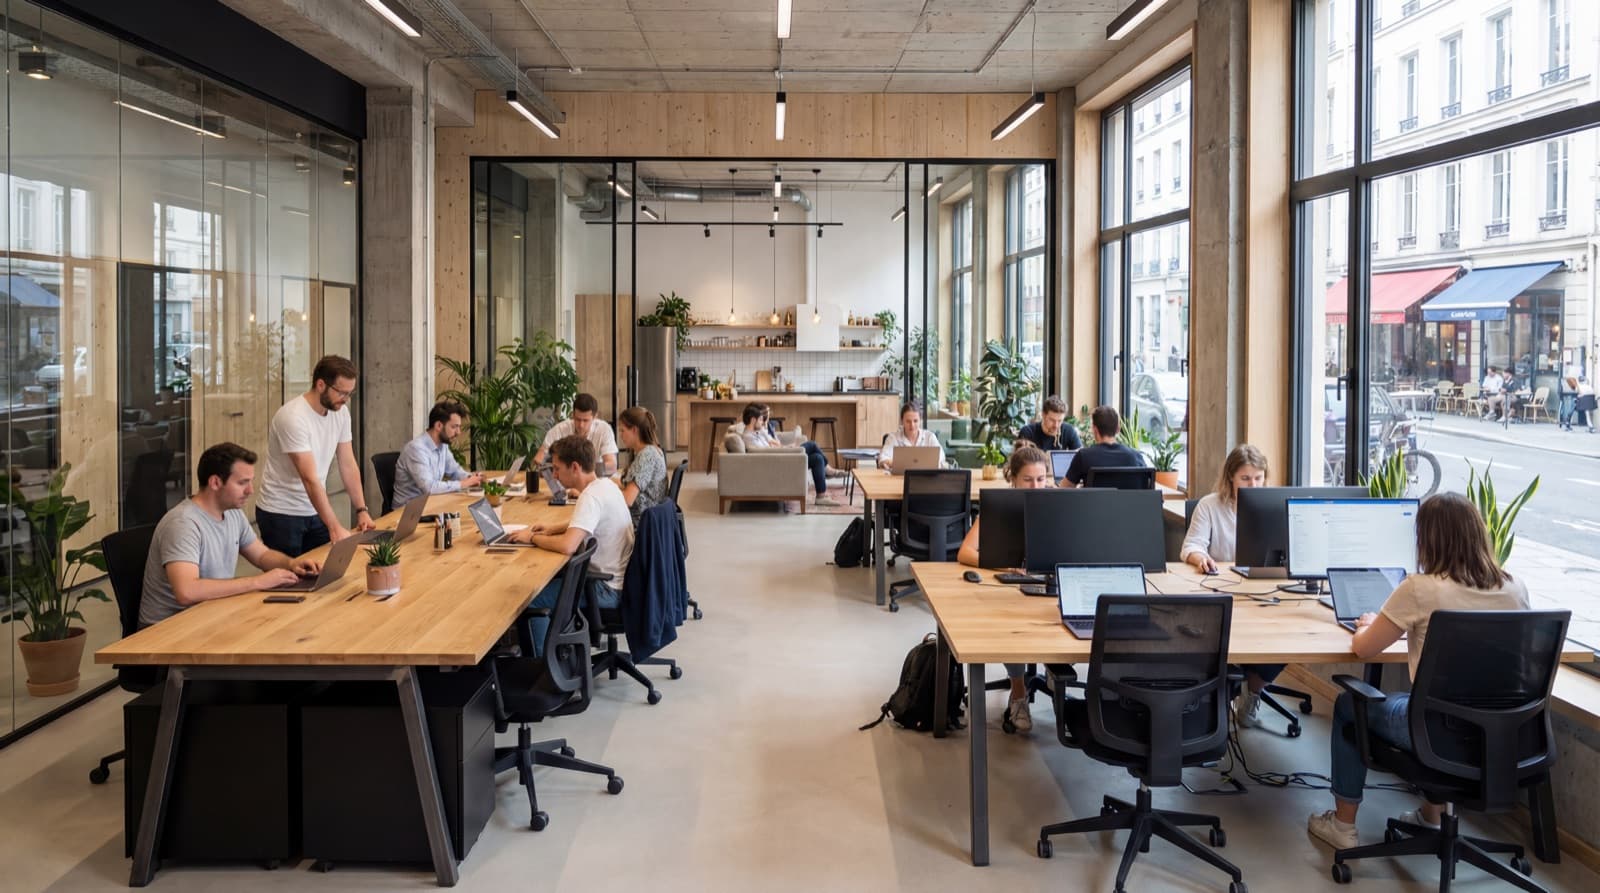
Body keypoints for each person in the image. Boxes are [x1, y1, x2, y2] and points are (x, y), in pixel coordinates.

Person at [1307, 492, 1531, 851]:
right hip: (1503, 731)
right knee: (1435, 702)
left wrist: (1367, 624)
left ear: (1427, 540)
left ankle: (1343, 826)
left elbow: (1364, 648)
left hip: (1435, 731)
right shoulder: (1514, 587)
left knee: (1351, 706)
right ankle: (1431, 816)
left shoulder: (1420, 588)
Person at [140, 443, 321, 628]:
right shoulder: (183, 524)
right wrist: (257, 582)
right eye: (242, 483)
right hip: (168, 630)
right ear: (215, 483)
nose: (250, 490)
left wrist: (291, 564)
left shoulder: (232, 512)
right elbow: (187, 591)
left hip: (209, 616)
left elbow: (262, 555)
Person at [1178, 444, 1284, 728]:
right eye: (1245, 478)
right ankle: (1222, 695)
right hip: (1221, 592)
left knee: (1285, 637)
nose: (1253, 485)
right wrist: (1201, 558)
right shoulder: (1211, 506)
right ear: (1230, 479)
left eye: (1258, 478)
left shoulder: (1274, 506)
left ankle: (1254, 689)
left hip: (1264, 592)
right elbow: (1190, 546)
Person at [957, 445, 1053, 733]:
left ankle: (1057, 676)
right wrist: (1003, 565)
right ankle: (1019, 695)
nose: (1036, 487)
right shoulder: (1000, 507)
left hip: (1052, 583)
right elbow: (965, 552)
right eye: (1028, 480)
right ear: (1013, 479)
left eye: (1041, 479)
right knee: (1014, 625)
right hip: (1015, 589)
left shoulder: (1058, 504)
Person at [508, 436, 635, 654]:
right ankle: (559, 652)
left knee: (532, 599)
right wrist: (552, 528)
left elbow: (568, 546)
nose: (554, 475)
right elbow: (590, 522)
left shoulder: (590, 497)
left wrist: (532, 538)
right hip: (621, 582)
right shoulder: (606, 485)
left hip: (606, 589)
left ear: (575, 467)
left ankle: (543, 666)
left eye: (557, 469)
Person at [255, 354, 375, 555]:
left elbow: (347, 463)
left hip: (314, 508)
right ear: (321, 385)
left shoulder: (341, 413)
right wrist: (334, 526)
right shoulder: (293, 417)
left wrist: (361, 510)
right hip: (281, 513)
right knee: (289, 580)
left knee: (324, 572)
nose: (345, 400)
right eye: (341, 393)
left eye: (350, 394)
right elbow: (309, 478)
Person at [742, 402, 838, 507]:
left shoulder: (757, 432)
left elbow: (770, 448)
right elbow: (764, 453)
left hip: (781, 458)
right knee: (812, 445)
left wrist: (785, 448)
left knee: (817, 458)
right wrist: (787, 449)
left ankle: (821, 497)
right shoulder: (749, 437)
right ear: (752, 420)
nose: (763, 422)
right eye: (761, 419)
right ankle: (828, 470)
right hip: (780, 462)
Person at [392, 400, 482, 506]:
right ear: (439, 425)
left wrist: (472, 478)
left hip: (431, 505)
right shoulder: (416, 449)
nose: (458, 432)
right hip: (407, 513)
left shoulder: (442, 445)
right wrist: (463, 484)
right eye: (454, 427)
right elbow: (429, 488)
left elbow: (455, 471)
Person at [534, 393, 619, 477]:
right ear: (573, 414)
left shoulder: (604, 429)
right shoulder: (559, 429)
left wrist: (580, 470)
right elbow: (538, 459)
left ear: (595, 417)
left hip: (594, 481)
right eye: (577, 419)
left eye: (585, 420)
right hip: (564, 481)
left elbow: (612, 466)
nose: (581, 425)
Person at [1062, 405, 1146, 487]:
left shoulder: (1083, 456)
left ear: (1095, 430)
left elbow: (1064, 490)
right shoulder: (1136, 457)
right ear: (1118, 429)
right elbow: (1148, 489)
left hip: (1094, 501)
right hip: (1128, 501)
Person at [617, 406, 668, 524]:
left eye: (622, 430)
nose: (621, 435)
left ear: (634, 430)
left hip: (641, 521)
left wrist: (602, 496)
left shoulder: (646, 456)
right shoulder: (651, 450)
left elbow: (627, 499)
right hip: (650, 516)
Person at [878, 402, 943, 471]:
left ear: (920, 420)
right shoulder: (893, 438)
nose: (912, 425)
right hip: (899, 478)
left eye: (915, 421)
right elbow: (883, 458)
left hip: (926, 477)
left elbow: (941, 457)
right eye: (908, 421)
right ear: (902, 421)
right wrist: (892, 463)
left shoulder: (930, 437)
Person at [1015, 395, 1083, 452]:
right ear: (1043, 415)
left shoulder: (1068, 430)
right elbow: (1020, 462)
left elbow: (1080, 456)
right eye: (1052, 420)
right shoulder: (1028, 432)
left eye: (1060, 421)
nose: (1056, 425)